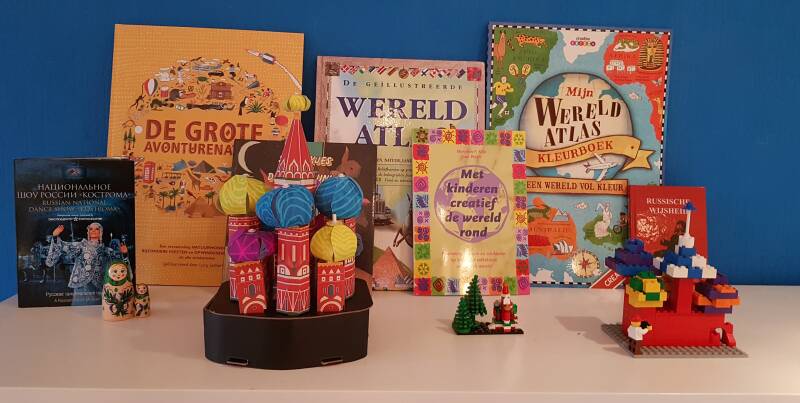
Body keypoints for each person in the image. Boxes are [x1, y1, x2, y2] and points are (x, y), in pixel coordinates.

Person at [45, 223, 129, 304]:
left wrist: (124, 254)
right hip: (82, 284)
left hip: (99, 286)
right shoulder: (81, 246)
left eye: (97, 229)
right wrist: (55, 237)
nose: (93, 230)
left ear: (101, 232)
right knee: (80, 306)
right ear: (88, 232)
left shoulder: (106, 250)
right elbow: (64, 246)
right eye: (91, 229)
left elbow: (119, 265)